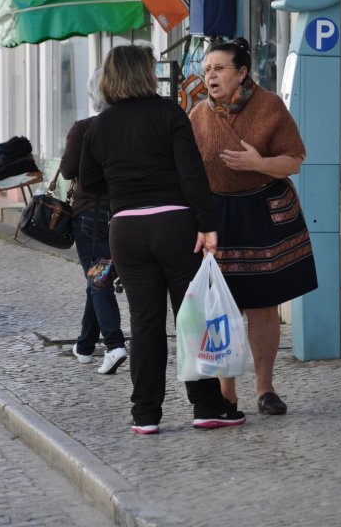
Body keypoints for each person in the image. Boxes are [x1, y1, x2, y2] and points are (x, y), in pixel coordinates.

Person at [79, 44, 246, 435]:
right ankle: (206, 406)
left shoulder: (98, 126)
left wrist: (123, 182)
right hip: (175, 226)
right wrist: (208, 226)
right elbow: (192, 174)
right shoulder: (169, 113)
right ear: (146, 74)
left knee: (145, 322)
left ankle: (146, 415)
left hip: (127, 230)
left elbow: (88, 182)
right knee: (190, 318)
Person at [190, 37, 317, 416]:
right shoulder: (197, 114)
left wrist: (258, 163)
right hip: (217, 217)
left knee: (263, 305)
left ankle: (266, 388)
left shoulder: (269, 106)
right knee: (220, 307)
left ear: (242, 72)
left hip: (263, 210)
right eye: (207, 69)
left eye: (219, 68)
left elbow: (294, 161)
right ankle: (226, 391)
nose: (210, 76)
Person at [60, 68, 127, 375]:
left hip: (90, 215)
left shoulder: (84, 127)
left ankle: (114, 345)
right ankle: (85, 345)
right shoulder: (129, 128)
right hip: (124, 214)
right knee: (97, 275)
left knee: (98, 278)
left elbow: (67, 169)